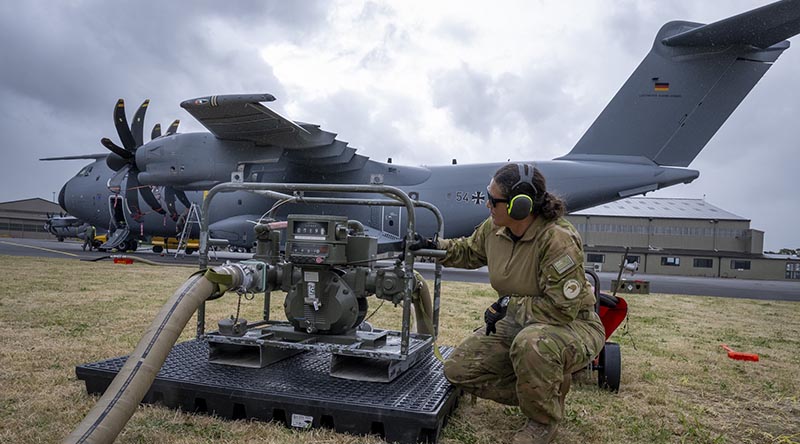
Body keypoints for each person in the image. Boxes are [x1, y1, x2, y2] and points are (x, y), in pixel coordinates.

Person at [412, 163, 605, 443]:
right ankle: (544, 391)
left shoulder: (557, 240)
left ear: (520, 206)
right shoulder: (494, 229)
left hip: (571, 325)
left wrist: (506, 306)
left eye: (493, 199)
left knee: (531, 344)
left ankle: (542, 420)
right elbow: (468, 251)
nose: (487, 203)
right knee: (459, 370)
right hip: (520, 322)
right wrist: (430, 245)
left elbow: (562, 309)